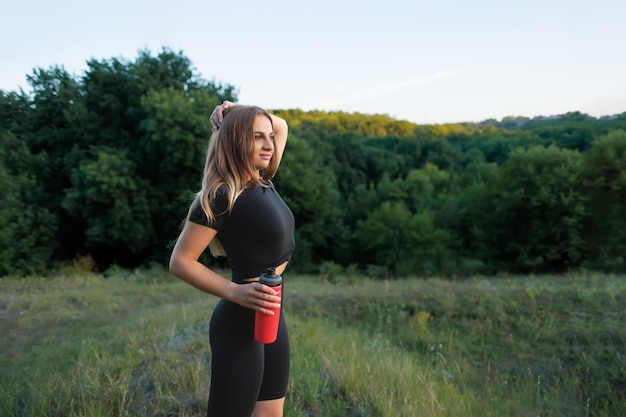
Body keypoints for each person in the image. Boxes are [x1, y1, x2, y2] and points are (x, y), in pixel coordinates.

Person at [169, 101, 295, 417]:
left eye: (269, 138)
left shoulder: (264, 178)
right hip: (240, 321)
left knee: (270, 413)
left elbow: (281, 125)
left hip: (272, 314)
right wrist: (236, 292)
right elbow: (181, 261)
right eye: (256, 137)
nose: (269, 144)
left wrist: (239, 109)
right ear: (237, 141)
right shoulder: (222, 194)